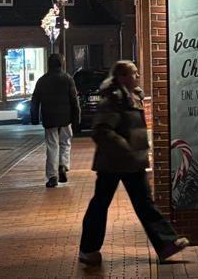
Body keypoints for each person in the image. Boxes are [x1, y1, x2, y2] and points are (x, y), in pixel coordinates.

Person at [78, 61, 189, 265]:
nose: (137, 76)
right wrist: (125, 147)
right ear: (121, 77)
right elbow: (101, 131)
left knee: (145, 203)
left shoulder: (135, 97)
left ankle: (167, 244)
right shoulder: (113, 100)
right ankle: (88, 249)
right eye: (133, 73)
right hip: (112, 163)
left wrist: (138, 152)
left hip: (132, 162)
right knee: (100, 205)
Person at [31, 53, 80, 188]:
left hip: (49, 117)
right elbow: (74, 100)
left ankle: (52, 176)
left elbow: (35, 100)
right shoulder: (68, 79)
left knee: (52, 146)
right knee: (65, 142)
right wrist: (76, 118)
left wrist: (34, 117)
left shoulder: (42, 80)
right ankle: (63, 165)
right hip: (66, 117)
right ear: (61, 64)